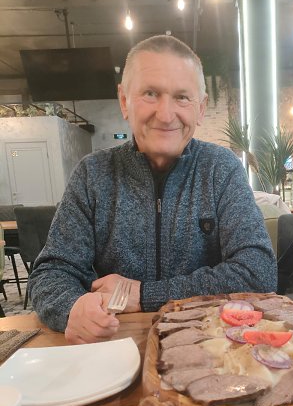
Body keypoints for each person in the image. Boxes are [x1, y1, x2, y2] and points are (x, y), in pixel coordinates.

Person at [29, 35, 277, 344]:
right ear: (124, 101)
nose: (165, 114)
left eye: (182, 97)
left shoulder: (221, 169)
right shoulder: (92, 174)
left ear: (200, 109)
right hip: (114, 347)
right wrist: (72, 308)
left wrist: (144, 295)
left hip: (206, 348)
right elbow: (51, 273)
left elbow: (258, 272)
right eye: (150, 93)